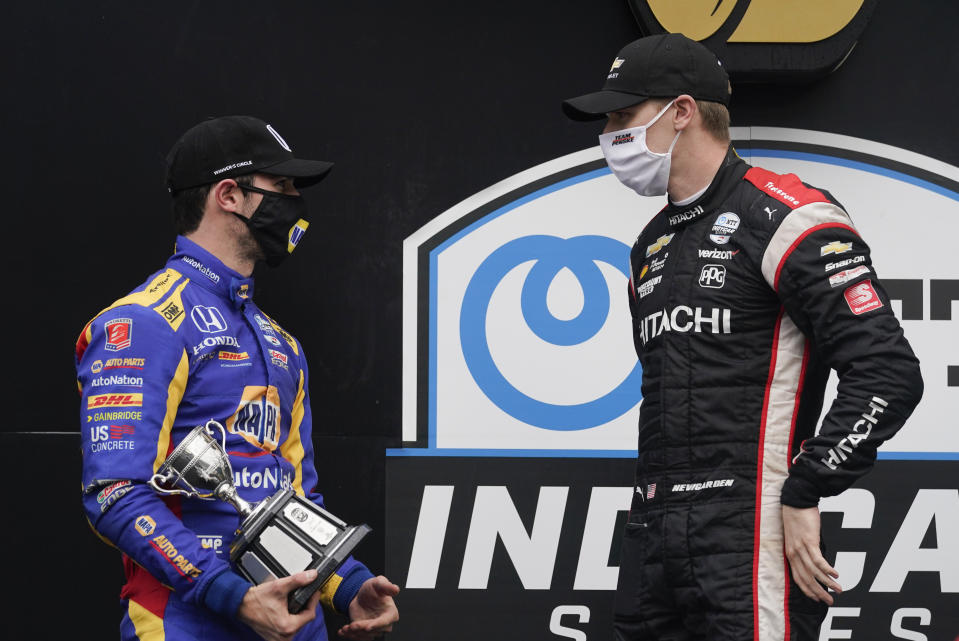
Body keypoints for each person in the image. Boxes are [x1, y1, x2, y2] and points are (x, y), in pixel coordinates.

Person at [562, 34, 923, 641]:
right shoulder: (648, 247)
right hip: (654, 531)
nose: (611, 134)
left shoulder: (787, 215)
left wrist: (808, 487)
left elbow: (888, 372)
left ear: (682, 111)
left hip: (751, 530)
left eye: (623, 116)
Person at [75, 115, 399, 641]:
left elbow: (294, 498)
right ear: (229, 194)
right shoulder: (143, 322)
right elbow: (115, 493)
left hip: (294, 625)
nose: (296, 201)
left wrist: (345, 586)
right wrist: (235, 597)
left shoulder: (281, 343)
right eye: (283, 186)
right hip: (186, 623)